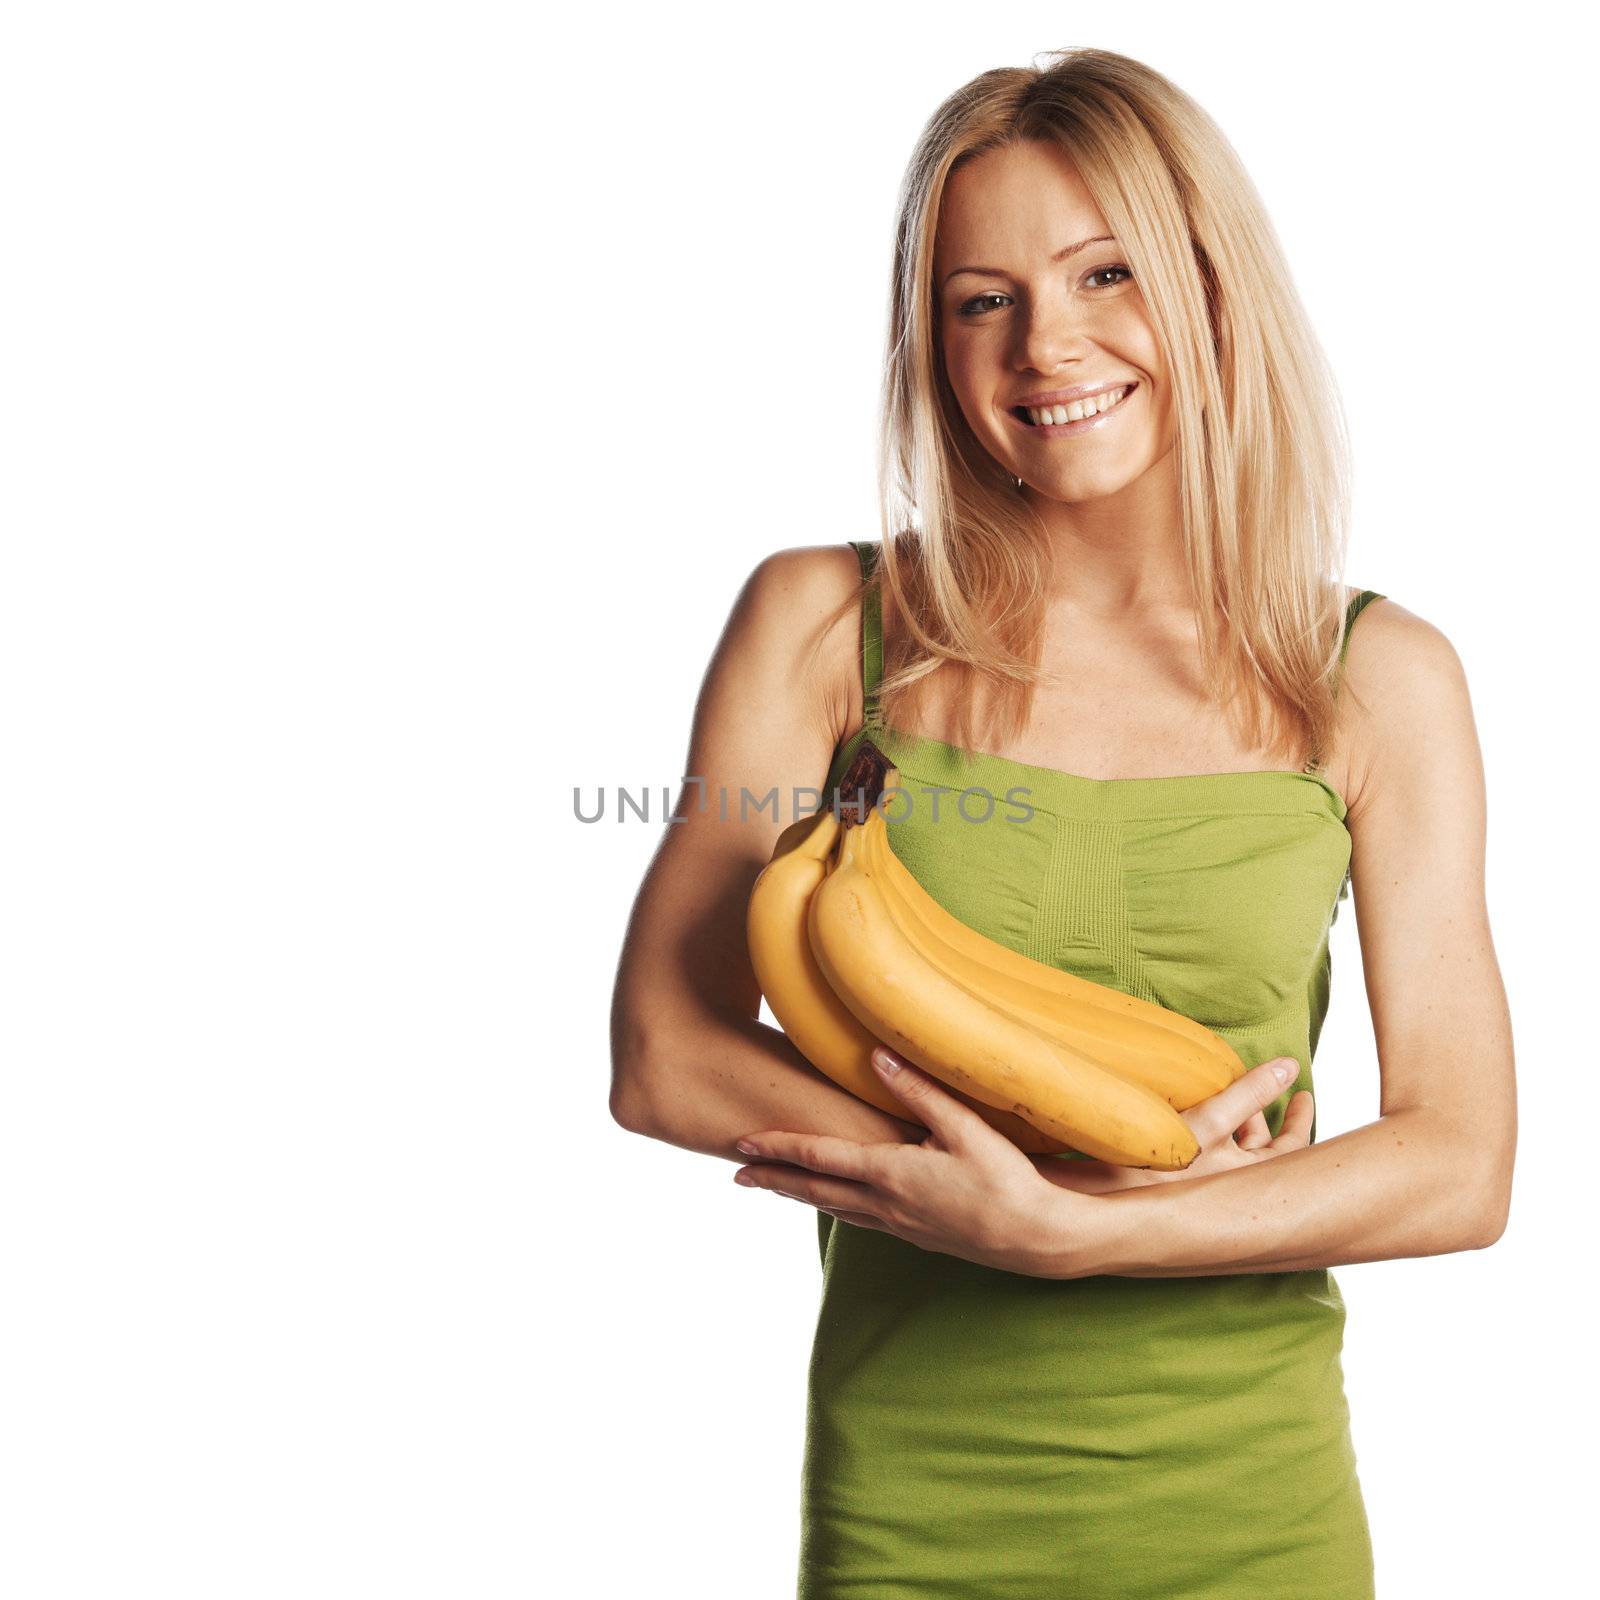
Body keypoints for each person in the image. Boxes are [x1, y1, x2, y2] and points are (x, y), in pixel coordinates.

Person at [608, 46, 1516, 1600]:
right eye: (982, 299)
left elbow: (1459, 1163)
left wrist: (1080, 1233)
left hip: (1255, 1515)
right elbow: (666, 1051)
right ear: (934, 340)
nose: (1049, 344)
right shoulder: (830, 628)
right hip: (914, 1511)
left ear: (1211, 291)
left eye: (1108, 274)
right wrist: (997, 1176)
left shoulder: (1375, 681)